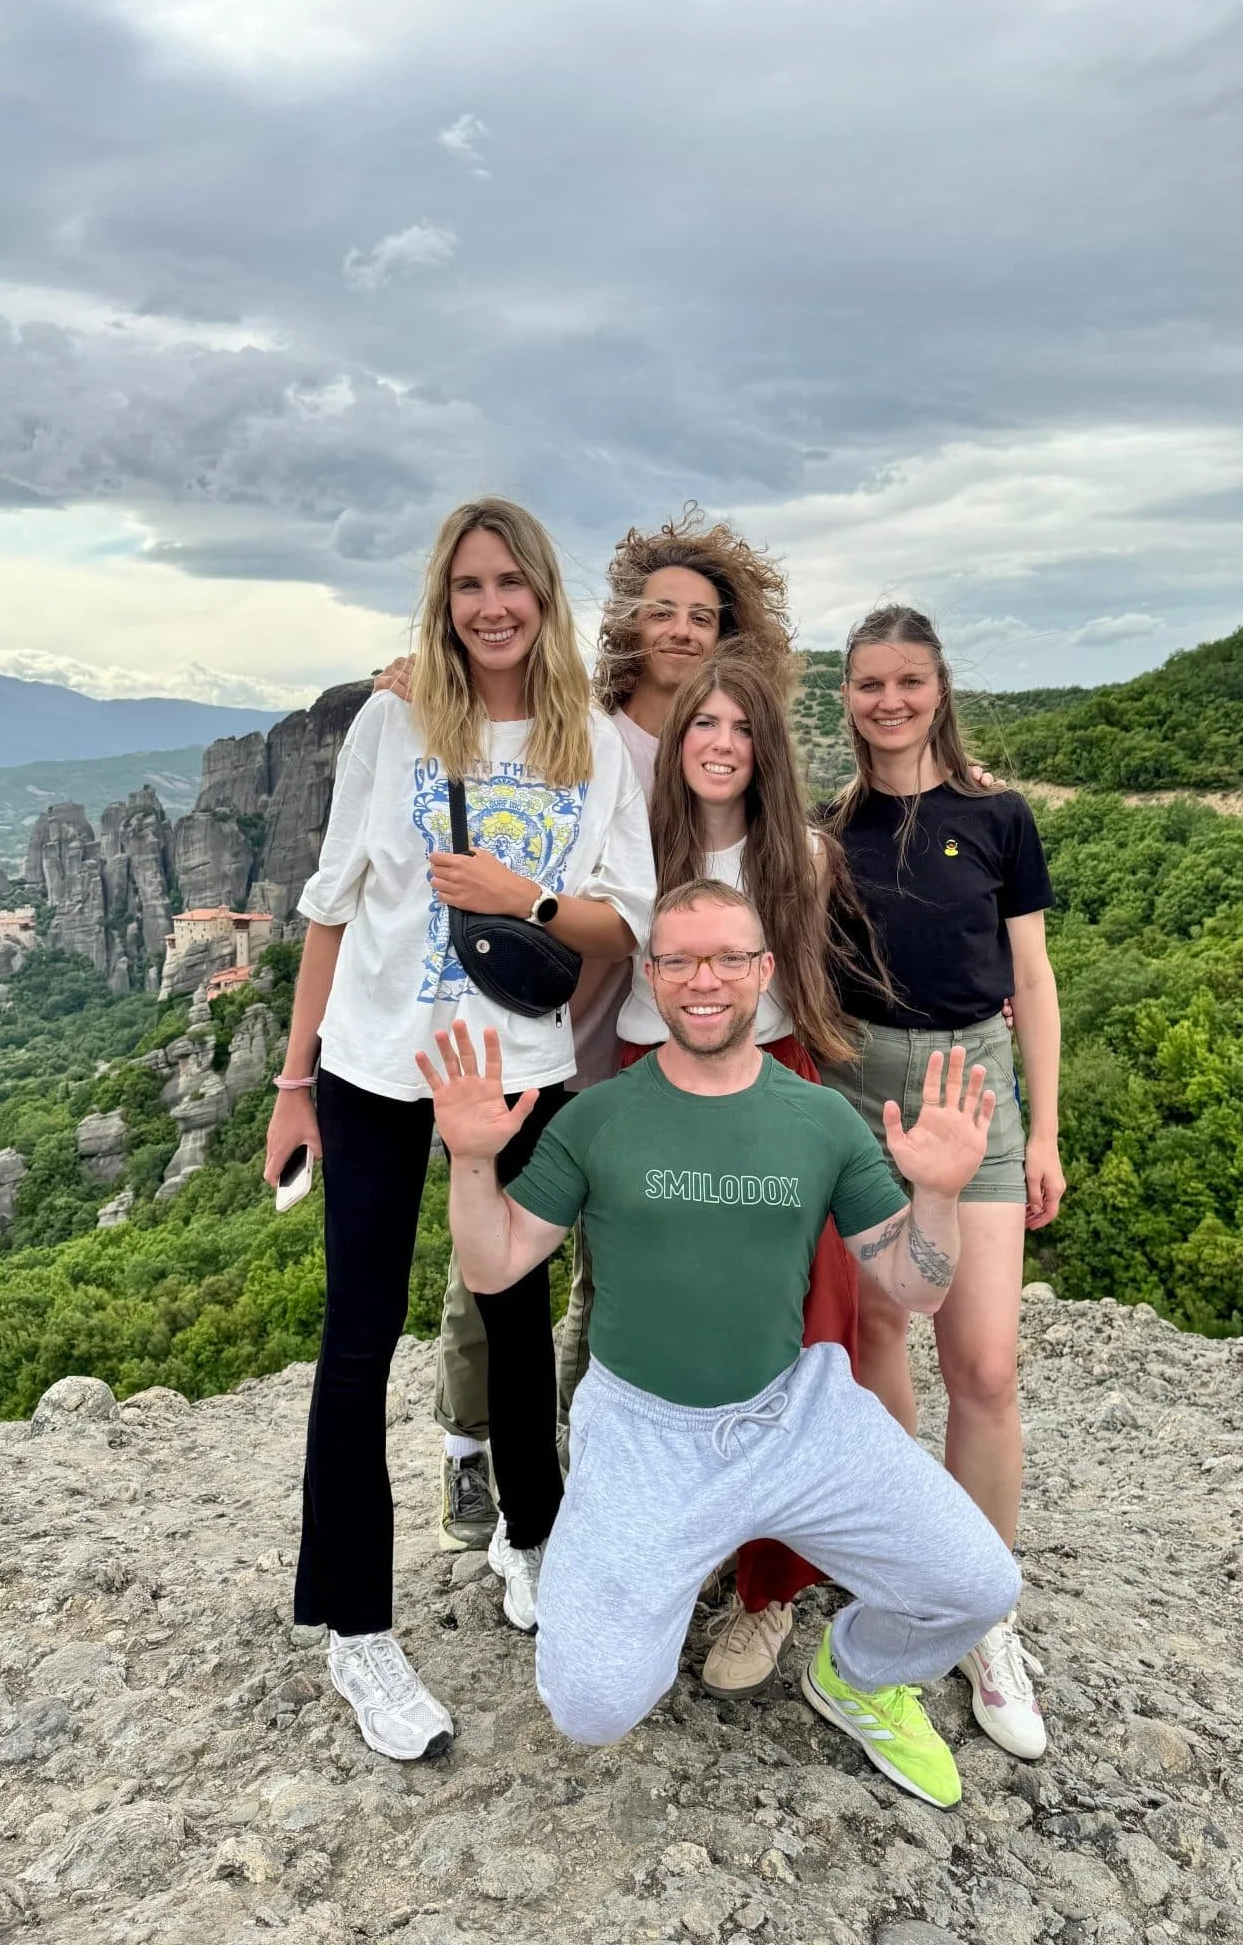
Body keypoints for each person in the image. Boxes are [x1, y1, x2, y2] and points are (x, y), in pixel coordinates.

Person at [417, 879, 1022, 1811]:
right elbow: (495, 1268)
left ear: (764, 972)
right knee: (591, 1705)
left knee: (977, 1585)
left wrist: (938, 1193)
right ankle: (640, 1598)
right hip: (645, 1431)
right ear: (651, 977)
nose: (706, 981)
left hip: (797, 1413)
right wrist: (468, 1159)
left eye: (729, 958)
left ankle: (854, 1674)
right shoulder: (599, 1117)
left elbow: (912, 1285)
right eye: (681, 960)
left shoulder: (818, 1119)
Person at [263, 496, 654, 1761]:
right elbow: (331, 901)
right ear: (445, 598)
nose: (492, 606)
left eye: (512, 584)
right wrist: (292, 1084)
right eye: (469, 585)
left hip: (517, 1067)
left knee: (517, 1316)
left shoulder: (589, 738)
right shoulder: (393, 719)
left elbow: (620, 923)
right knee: (358, 1334)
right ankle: (356, 1628)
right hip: (376, 1066)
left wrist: (522, 892)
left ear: (544, 594)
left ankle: (528, 1540)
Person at [427, 508, 797, 1548]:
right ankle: (469, 1439)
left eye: (703, 615)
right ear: (633, 619)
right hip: (550, 1029)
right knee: (497, 1252)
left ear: (730, 630)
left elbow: (787, 829)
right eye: (663, 611)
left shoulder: (726, 735)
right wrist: (402, 680)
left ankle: (581, 1452)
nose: (681, 630)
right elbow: (484, 726)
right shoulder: (582, 724)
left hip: (647, 1039)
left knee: (611, 1263)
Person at [820, 604, 1065, 1763]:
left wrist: (1049, 1129)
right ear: (848, 696)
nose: (889, 700)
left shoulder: (998, 814)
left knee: (985, 1362)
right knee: (878, 1330)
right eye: (869, 682)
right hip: (860, 1084)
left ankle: (983, 1609)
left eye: (908, 679)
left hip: (977, 1084)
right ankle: (897, 1570)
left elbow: (1035, 977)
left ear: (937, 685)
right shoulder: (826, 832)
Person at [613, 652, 869, 1697]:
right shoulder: (633, 836)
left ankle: (770, 1592)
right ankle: (684, 1559)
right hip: (650, 1084)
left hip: (768, 1085)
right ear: (678, 742)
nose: (720, 740)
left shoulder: (800, 853)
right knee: (669, 1339)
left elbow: (805, 988)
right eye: (701, 722)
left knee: (803, 1333)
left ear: (765, 744)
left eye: (740, 724)